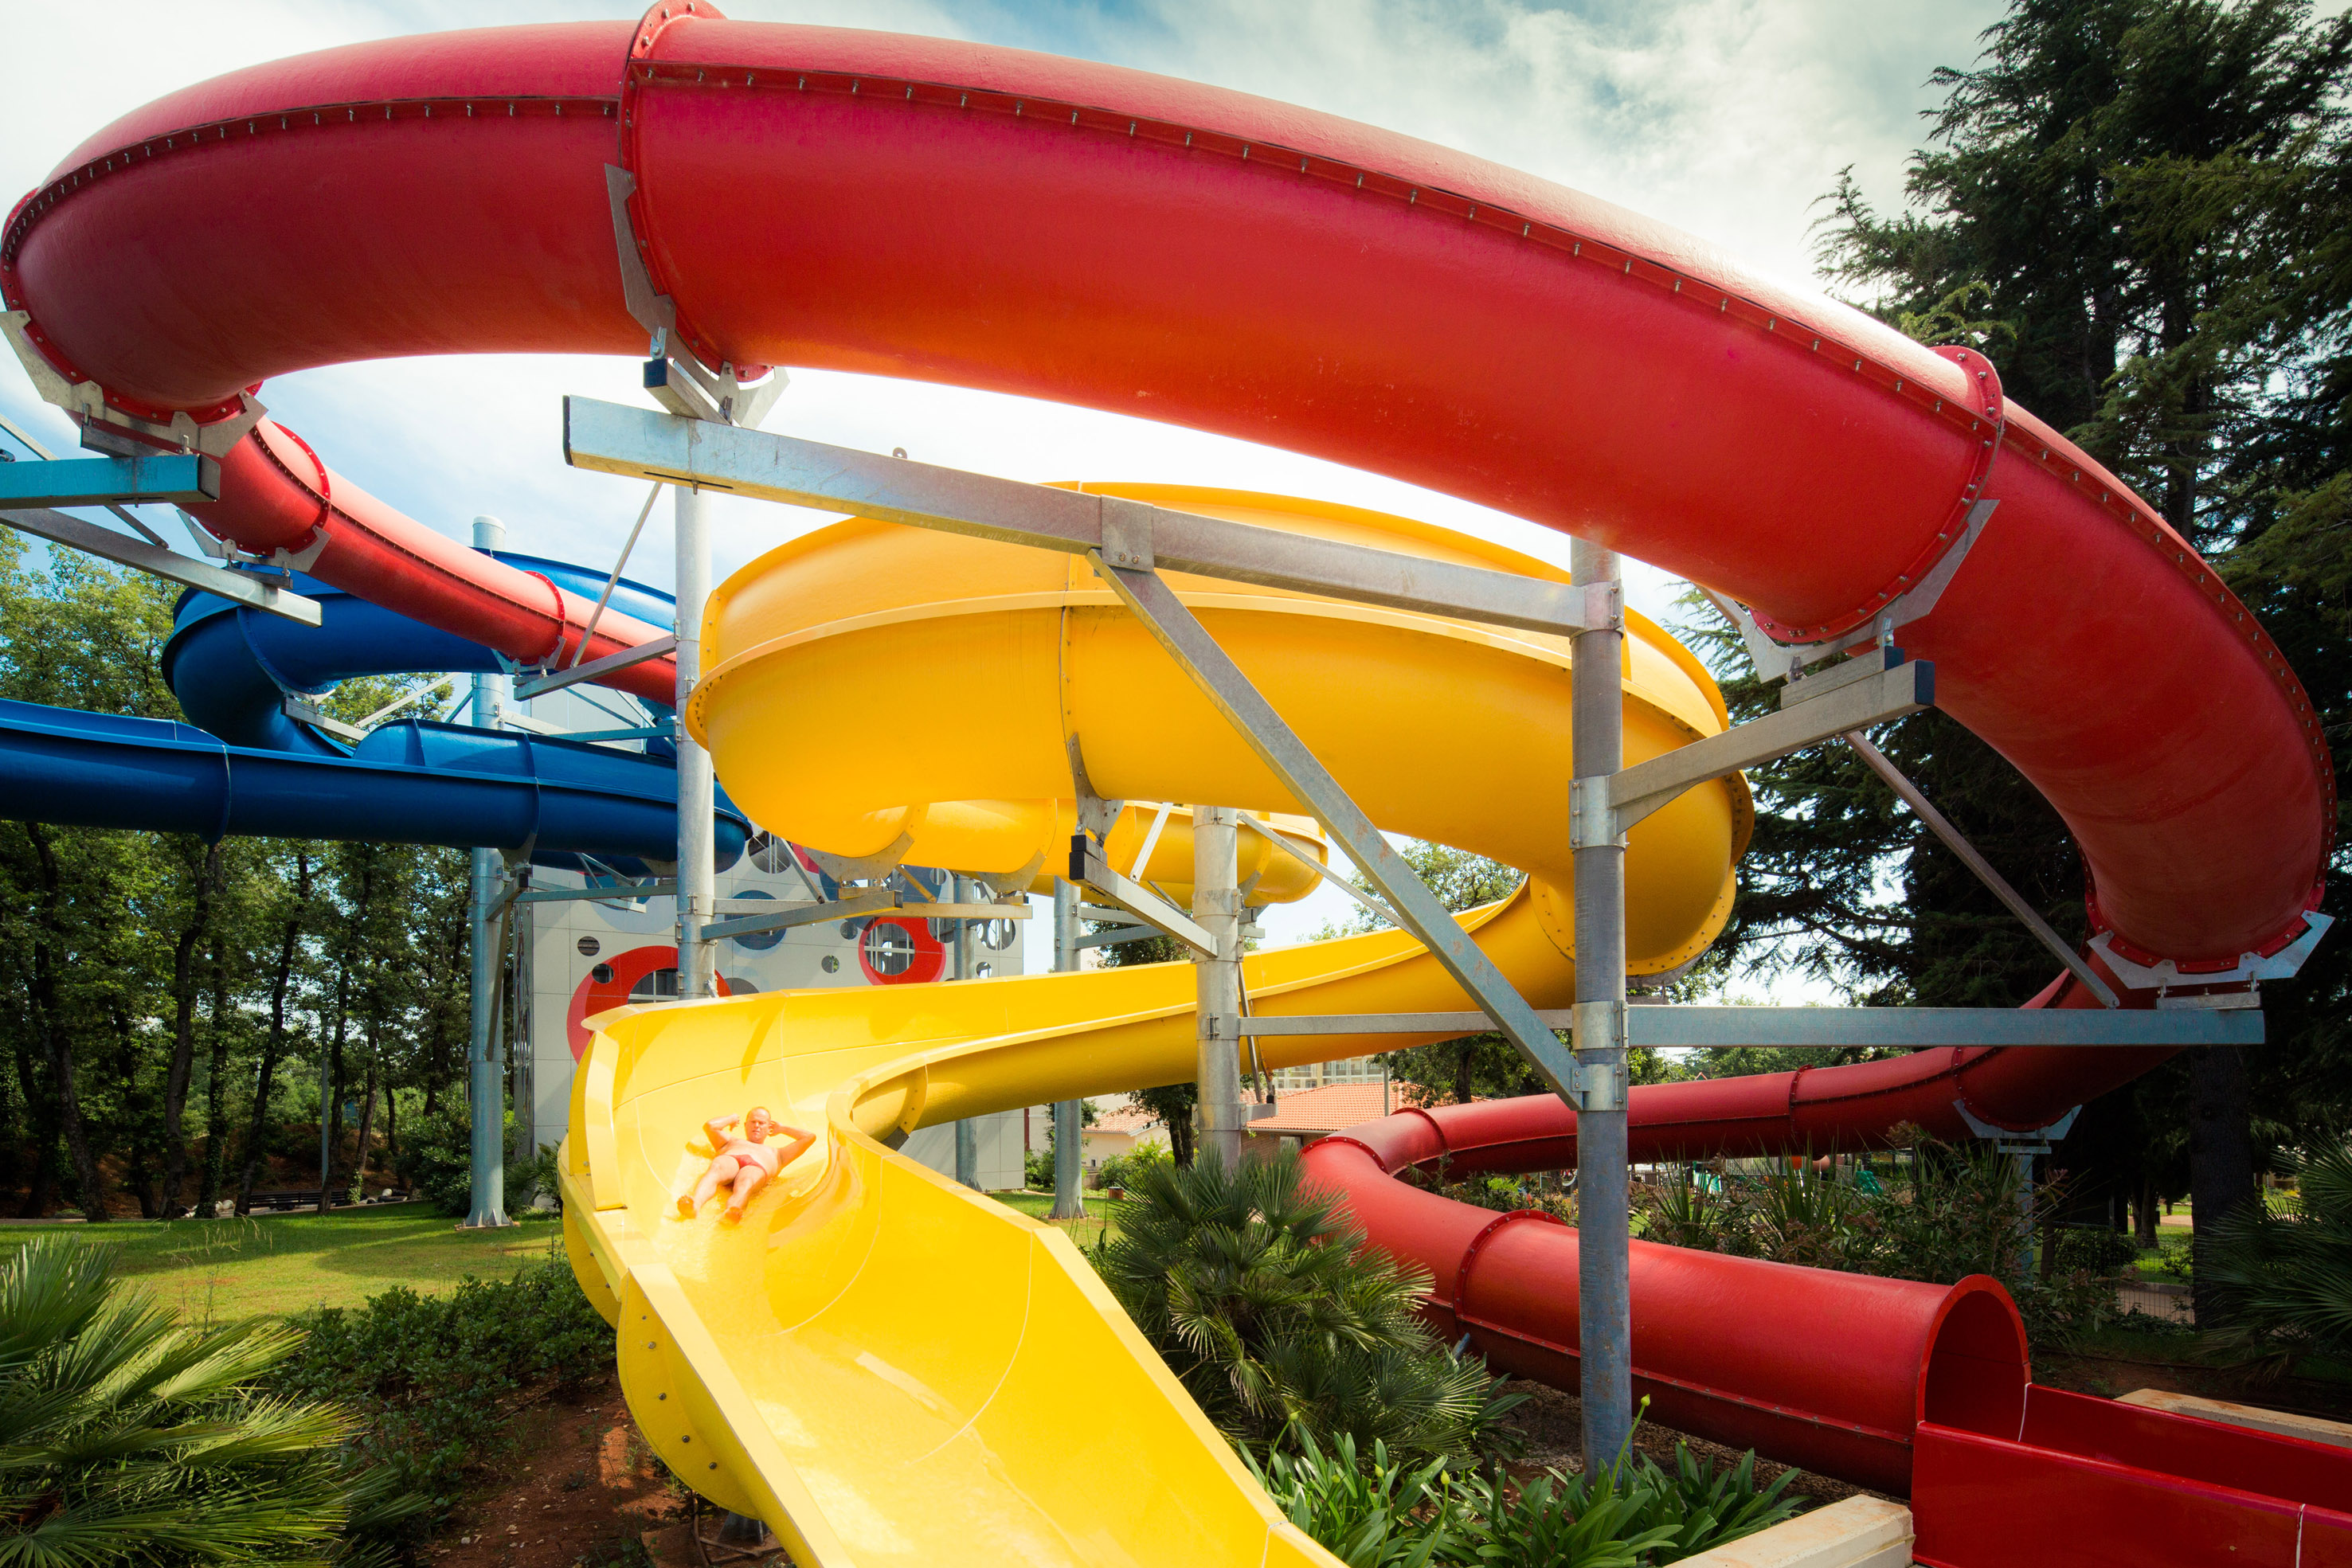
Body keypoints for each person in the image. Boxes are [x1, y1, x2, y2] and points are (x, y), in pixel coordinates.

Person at [675, 1106, 816, 1223]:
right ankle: (695, 1205)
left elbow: (809, 1138)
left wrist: (783, 1129)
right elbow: (710, 1126)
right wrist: (732, 1118)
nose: (757, 1125)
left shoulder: (778, 1154)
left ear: (769, 1128)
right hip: (730, 1160)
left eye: (762, 1123)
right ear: (745, 1125)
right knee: (717, 1167)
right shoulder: (730, 1141)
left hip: (756, 1168)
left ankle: (732, 1212)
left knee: (747, 1180)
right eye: (753, 1122)